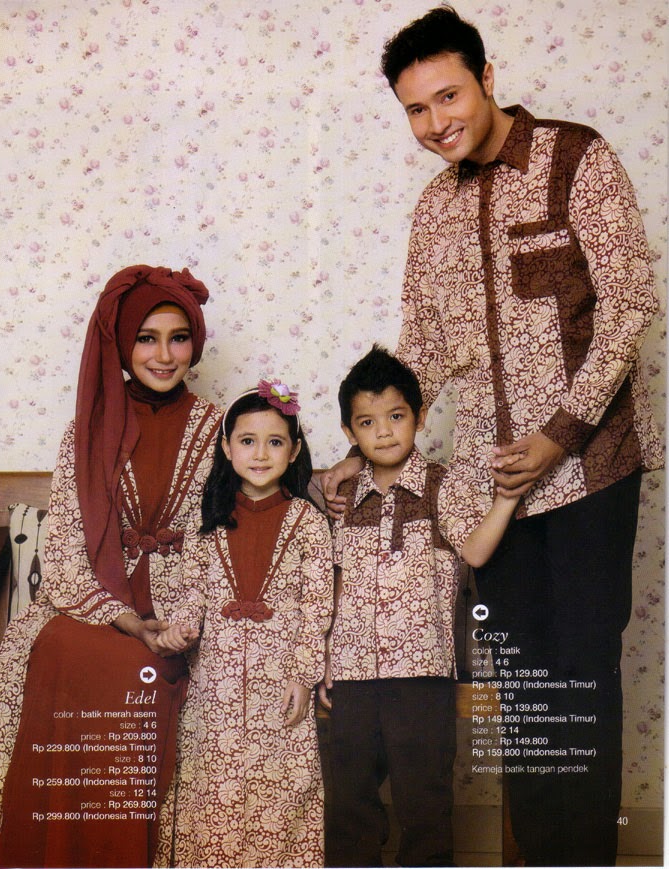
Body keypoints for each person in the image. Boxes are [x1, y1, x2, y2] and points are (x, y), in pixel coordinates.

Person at [325, 7, 662, 865]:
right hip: (489, 492)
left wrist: (559, 433)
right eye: (415, 109)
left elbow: (628, 305)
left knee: (579, 676)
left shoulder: (575, 158)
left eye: (448, 96)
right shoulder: (431, 211)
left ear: (484, 77)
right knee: (522, 685)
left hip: (587, 470)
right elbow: (422, 350)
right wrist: (361, 449)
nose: (435, 122)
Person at [0, 265, 222, 869]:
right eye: (146, 338)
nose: (164, 355)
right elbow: (64, 550)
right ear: (120, 345)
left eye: (178, 338)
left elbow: (225, 535)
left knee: (146, 669)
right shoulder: (85, 432)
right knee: (75, 653)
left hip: (186, 605)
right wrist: (128, 620)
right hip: (96, 606)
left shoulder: (222, 428)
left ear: (195, 343)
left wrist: (178, 619)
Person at [317, 346, 517, 867]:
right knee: (349, 802)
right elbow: (330, 583)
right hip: (352, 675)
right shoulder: (342, 496)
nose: (384, 432)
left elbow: (474, 551)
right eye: (367, 422)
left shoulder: (440, 484)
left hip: (423, 673)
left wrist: (506, 501)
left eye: (397, 416)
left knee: (424, 802)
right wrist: (323, 660)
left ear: (420, 417)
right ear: (349, 431)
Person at [152, 382, 333, 868]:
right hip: (217, 687)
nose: (260, 453)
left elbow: (317, 608)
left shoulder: (308, 523)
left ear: (294, 450)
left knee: (284, 788)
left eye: (275, 442)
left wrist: (302, 675)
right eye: (248, 441)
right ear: (227, 447)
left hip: (281, 682)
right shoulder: (208, 522)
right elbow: (192, 593)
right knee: (213, 786)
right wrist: (180, 629)